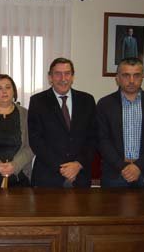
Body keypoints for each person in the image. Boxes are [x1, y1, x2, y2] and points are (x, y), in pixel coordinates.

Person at [97, 57, 144, 188]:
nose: (131, 80)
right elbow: (102, 140)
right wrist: (123, 167)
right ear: (117, 78)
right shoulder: (105, 104)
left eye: (136, 75)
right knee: (111, 209)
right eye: (126, 75)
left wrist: (138, 166)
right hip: (114, 174)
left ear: (142, 77)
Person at [28, 57, 96, 188]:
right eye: (57, 74)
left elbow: (93, 138)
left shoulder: (87, 100)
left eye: (67, 73)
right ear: (50, 77)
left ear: (72, 77)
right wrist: (63, 168)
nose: (63, 78)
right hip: (48, 176)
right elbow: (35, 140)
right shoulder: (38, 101)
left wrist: (78, 164)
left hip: (80, 175)